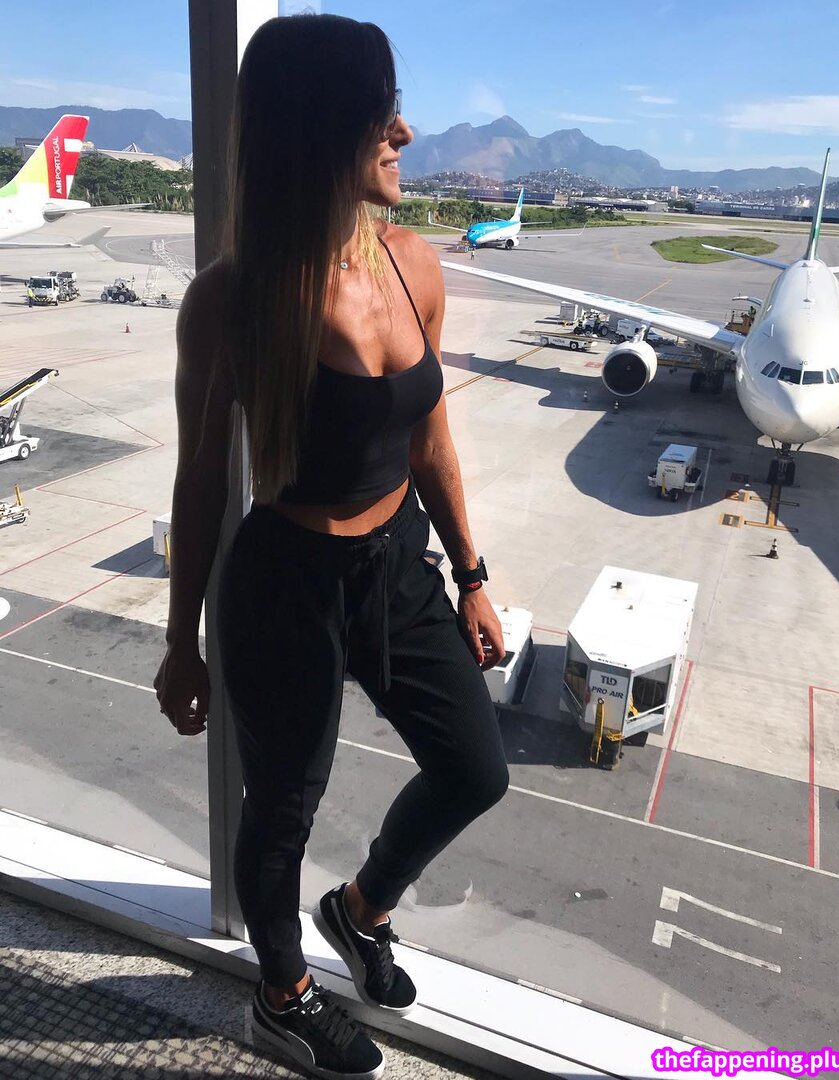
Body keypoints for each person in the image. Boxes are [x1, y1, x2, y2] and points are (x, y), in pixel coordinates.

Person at [153, 14, 510, 1080]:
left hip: (397, 564)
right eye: (379, 115)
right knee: (280, 817)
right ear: (319, 135)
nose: (405, 131)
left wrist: (473, 575)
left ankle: (359, 910)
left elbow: (431, 437)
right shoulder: (232, 301)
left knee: (475, 769)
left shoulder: (414, 265)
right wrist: (180, 641)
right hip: (285, 586)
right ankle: (283, 995)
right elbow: (201, 481)